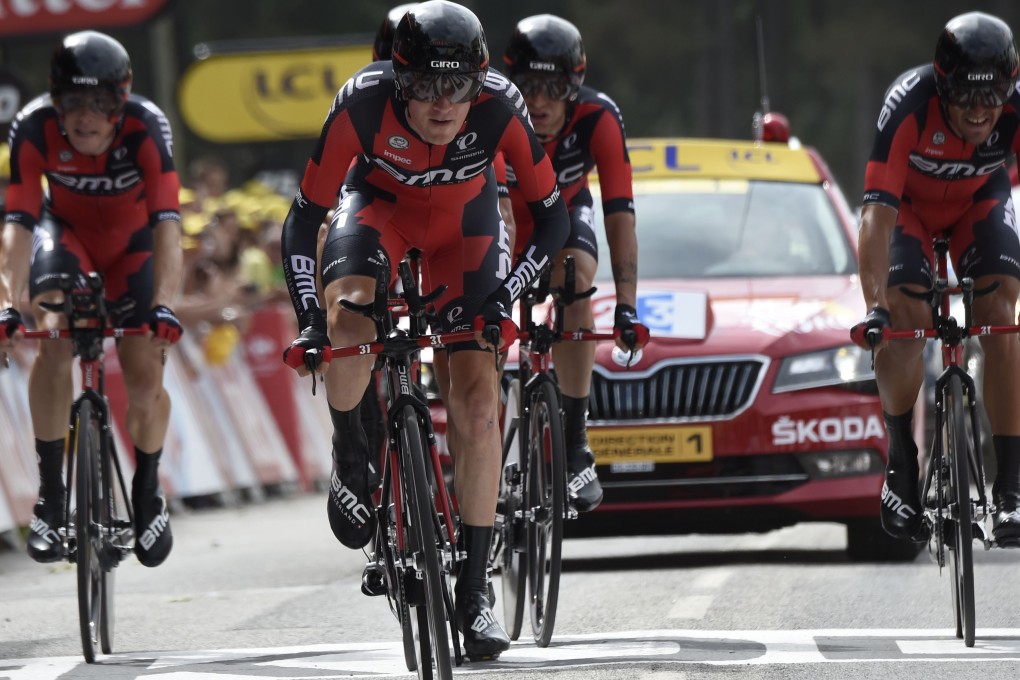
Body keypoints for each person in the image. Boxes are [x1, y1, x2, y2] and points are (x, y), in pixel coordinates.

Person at [278, 0, 569, 660]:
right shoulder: (360, 104)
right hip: (378, 214)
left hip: (464, 233)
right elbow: (303, 221)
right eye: (426, 89)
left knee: (476, 400)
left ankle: (473, 591)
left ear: (480, 82)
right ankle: (353, 454)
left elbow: (550, 219)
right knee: (348, 314)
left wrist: (507, 295)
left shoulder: (500, 105)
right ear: (397, 80)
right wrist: (309, 321)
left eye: (457, 89)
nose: (443, 105)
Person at [0, 31, 183, 567]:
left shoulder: (147, 127)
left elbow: (168, 225)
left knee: (145, 368)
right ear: (55, 101)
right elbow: (17, 226)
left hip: (134, 246)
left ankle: (147, 490)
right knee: (52, 330)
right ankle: (52, 497)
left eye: (100, 103)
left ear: (120, 102)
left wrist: (165, 306)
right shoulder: (33, 127)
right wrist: (10, 303)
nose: (85, 117)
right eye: (72, 103)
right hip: (68, 238)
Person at [850, 11, 1020, 546]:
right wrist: (874, 305)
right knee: (905, 317)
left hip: (978, 203)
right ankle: (902, 460)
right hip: (908, 212)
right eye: (965, 98)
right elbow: (876, 216)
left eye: (992, 97)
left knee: (1002, 315)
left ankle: (1012, 485)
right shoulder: (908, 104)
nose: (979, 112)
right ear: (941, 86)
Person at [500, 14, 649, 511]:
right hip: (499, 219)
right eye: (527, 85)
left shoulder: (598, 117)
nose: (538, 101)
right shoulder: (494, 112)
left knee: (575, 277)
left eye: (553, 86)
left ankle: (574, 437)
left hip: (562, 217)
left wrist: (626, 306)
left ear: (575, 86)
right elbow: (489, 210)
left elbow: (620, 212)